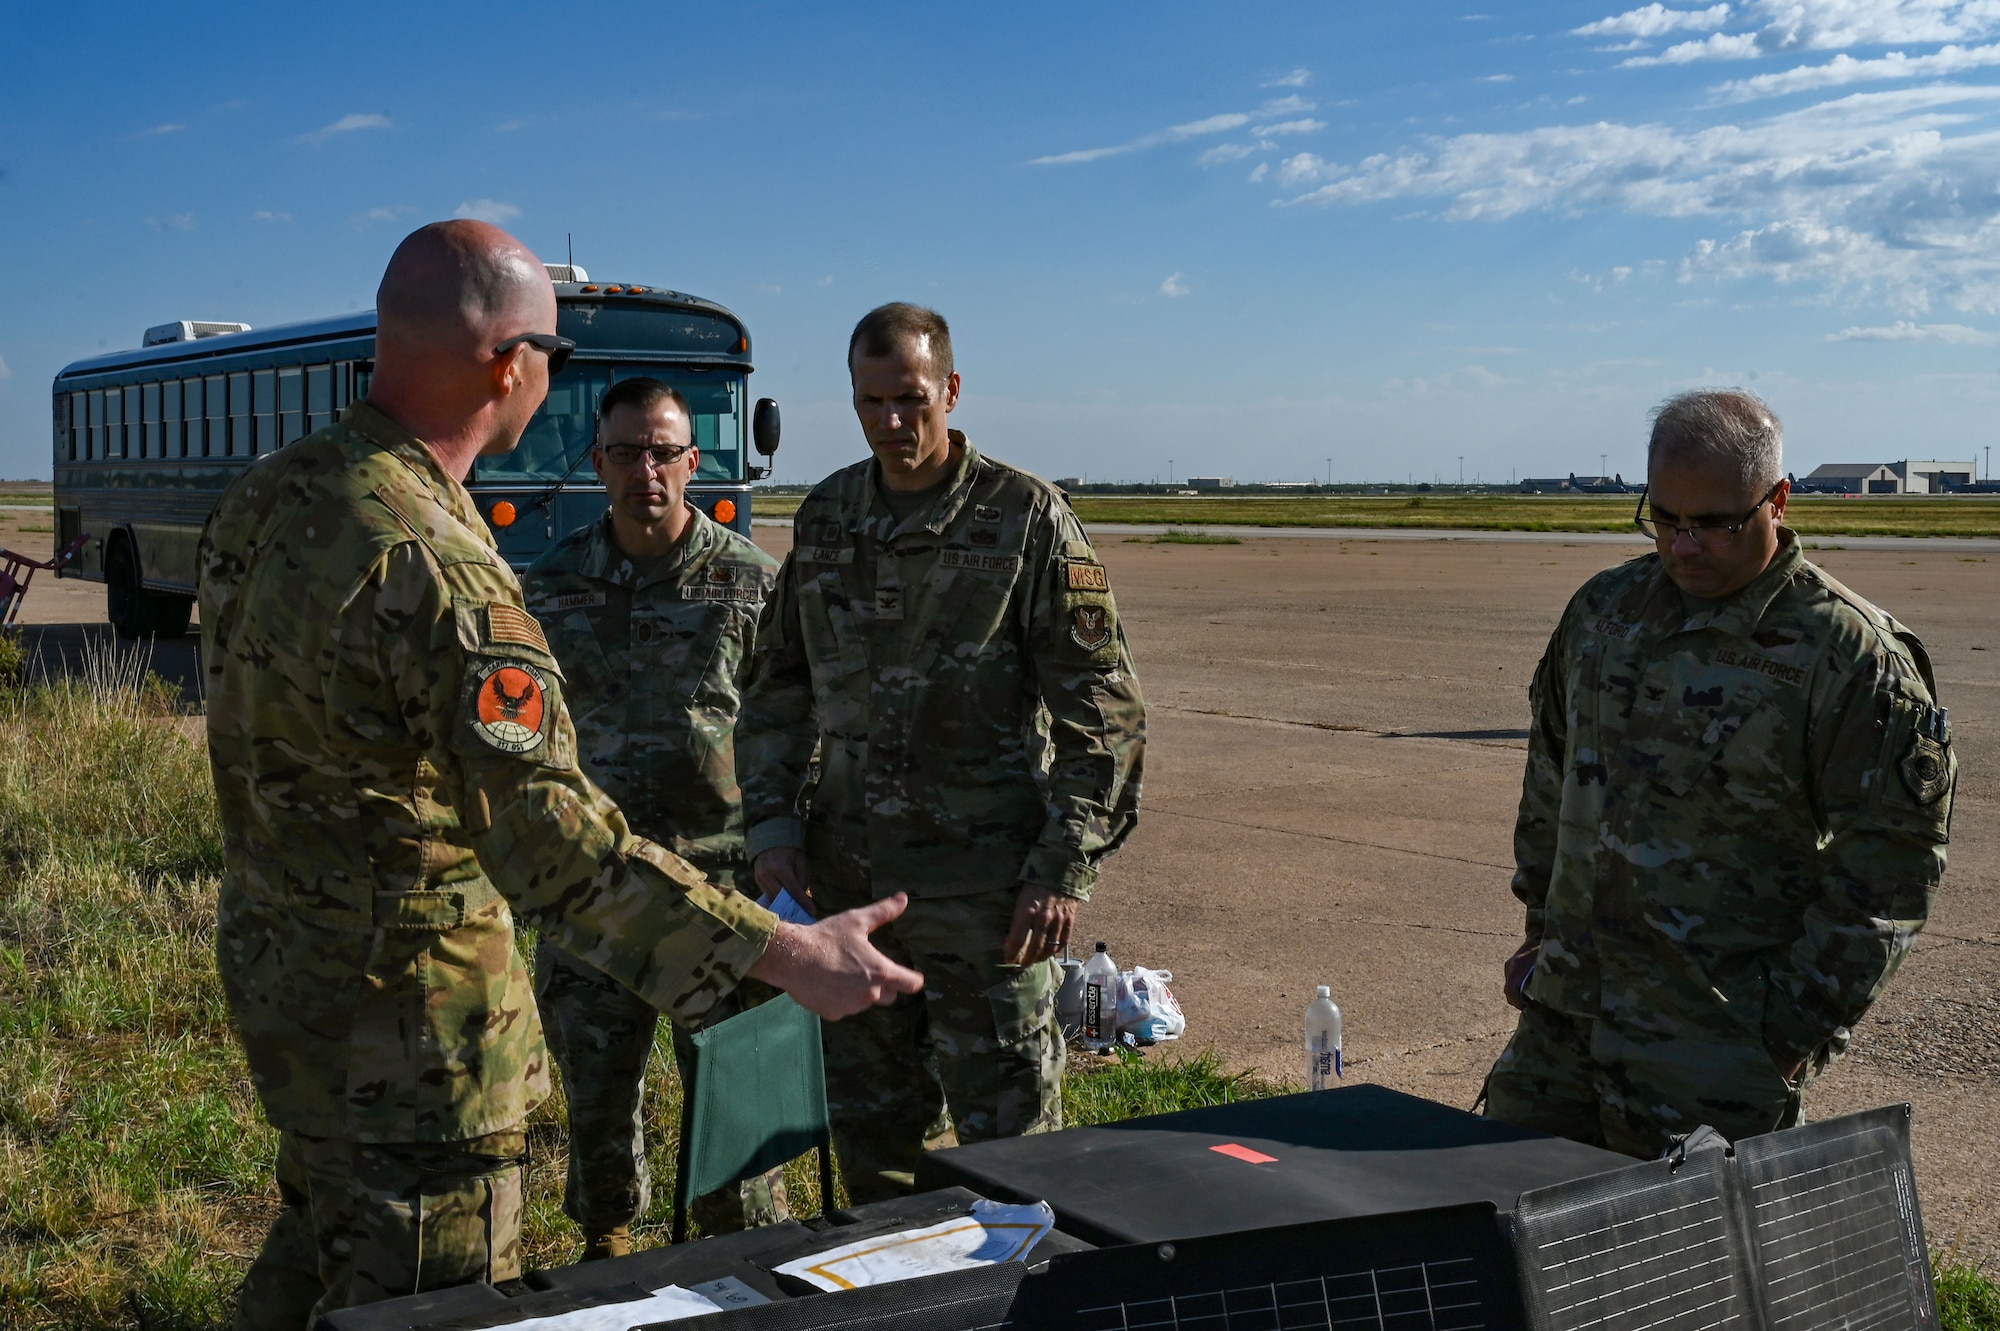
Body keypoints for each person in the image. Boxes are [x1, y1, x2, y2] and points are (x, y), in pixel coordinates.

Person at [200, 220, 923, 1330]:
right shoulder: (438, 562)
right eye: (556, 358)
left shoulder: (272, 497)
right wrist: (788, 956)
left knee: (314, 1265)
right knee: (420, 1301)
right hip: (415, 1039)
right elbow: (548, 840)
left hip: (293, 994)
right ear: (508, 362)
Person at [737, 302, 1147, 1203]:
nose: (892, 421)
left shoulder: (1024, 521)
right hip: (854, 899)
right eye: (871, 400)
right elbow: (775, 693)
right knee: (874, 1152)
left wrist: (1061, 869)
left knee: (1017, 1165)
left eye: (911, 399)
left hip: (990, 907)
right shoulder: (829, 517)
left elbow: (1105, 719)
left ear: (951, 391)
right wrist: (772, 824)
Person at [1484, 389, 1954, 1158]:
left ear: (1778, 500)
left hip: (1715, 1054)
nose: (1682, 547)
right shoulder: (1606, 614)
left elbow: (1891, 870)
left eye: (1714, 524)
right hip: (1564, 1028)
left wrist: (1787, 1033)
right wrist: (1542, 931)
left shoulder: (1847, 659)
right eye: (1663, 518)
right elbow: (1551, 778)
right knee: (1502, 1233)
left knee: (1687, 1268)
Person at [521, 377, 785, 1256]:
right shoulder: (549, 588)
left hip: (720, 895)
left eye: (664, 451)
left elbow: (795, 731)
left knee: (739, 1129)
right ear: (599, 462)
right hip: (594, 891)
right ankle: (608, 1261)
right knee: (597, 1103)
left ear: (693, 461)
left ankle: (748, 1274)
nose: (648, 470)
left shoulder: (751, 585)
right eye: (628, 452)